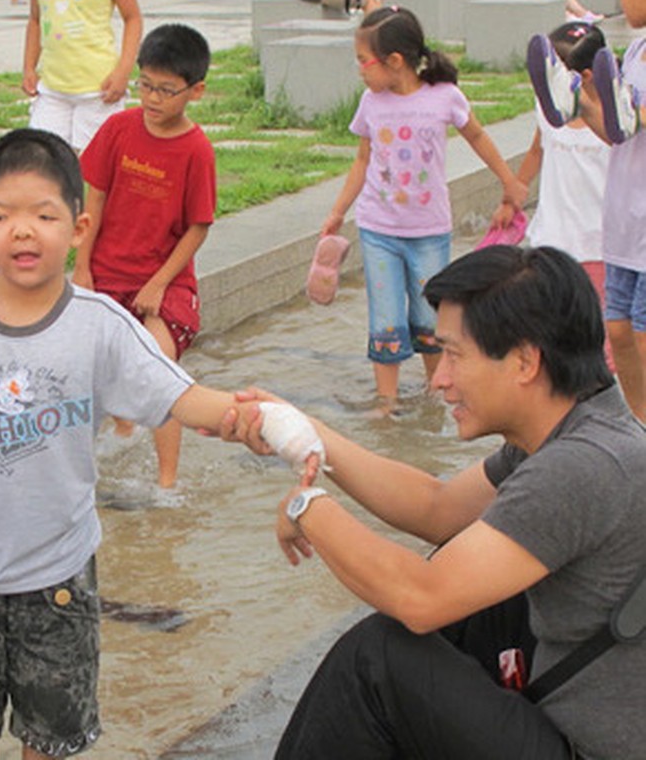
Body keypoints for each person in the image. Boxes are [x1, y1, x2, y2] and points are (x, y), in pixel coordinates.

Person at [0, 128, 255, 759]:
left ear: (78, 226)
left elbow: (177, 396)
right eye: (2, 215)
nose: (23, 231)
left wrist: (248, 416)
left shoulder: (99, 327)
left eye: (44, 215)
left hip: (58, 582)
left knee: (49, 744)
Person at [227, 246, 646, 760]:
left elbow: (420, 598)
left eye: (454, 354)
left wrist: (307, 509)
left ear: (524, 361)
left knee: (378, 656)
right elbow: (437, 507)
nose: (439, 378)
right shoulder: (585, 426)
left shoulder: (580, 466)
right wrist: (304, 433)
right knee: (465, 588)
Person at [321, 6, 526, 413]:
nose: (360, 70)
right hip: (378, 229)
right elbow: (362, 160)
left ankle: (437, 392)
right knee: (385, 318)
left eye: (364, 61)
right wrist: (338, 211)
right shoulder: (371, 101)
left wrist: (509, 181)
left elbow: (478, 135)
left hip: (429, 231)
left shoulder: (444, 97)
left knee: (431, 317)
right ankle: (387, 403)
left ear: (395, 61)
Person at [73, 24, 216, 492]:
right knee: (88, 370)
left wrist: (159, 283)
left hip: (164, 281)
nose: (153, 100)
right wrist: (81, 267)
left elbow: (198, 226)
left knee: (159, 370)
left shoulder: (196, 150)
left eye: (166, 91)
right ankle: (117, 435)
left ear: (196, 91)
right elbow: (93, 200)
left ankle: (167, 484)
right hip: (106, 273)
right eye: (146, 85)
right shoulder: (118, 129)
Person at [528, 0, 646, 419]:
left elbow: (632, 121)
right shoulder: (633, 53)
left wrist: (634, 114)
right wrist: (583, 107)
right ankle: (638, 426)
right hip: (622, 224)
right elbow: (616, 134)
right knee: (616, 329)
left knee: (641, 333)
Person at [500, 23, 611, 362]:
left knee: (597, 342)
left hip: (597, 247)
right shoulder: (550, 110)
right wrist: (513, 194)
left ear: (588, 76)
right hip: (550, 240)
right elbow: (537, 150)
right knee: (547, 333)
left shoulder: (612, 124)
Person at [22, 0, 143, 151]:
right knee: (45, 158)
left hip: (99, 90)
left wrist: (123, 71)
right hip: (52, 89)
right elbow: (35, 20)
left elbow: (133, 18)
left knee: (93, 165)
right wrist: (29, 67)